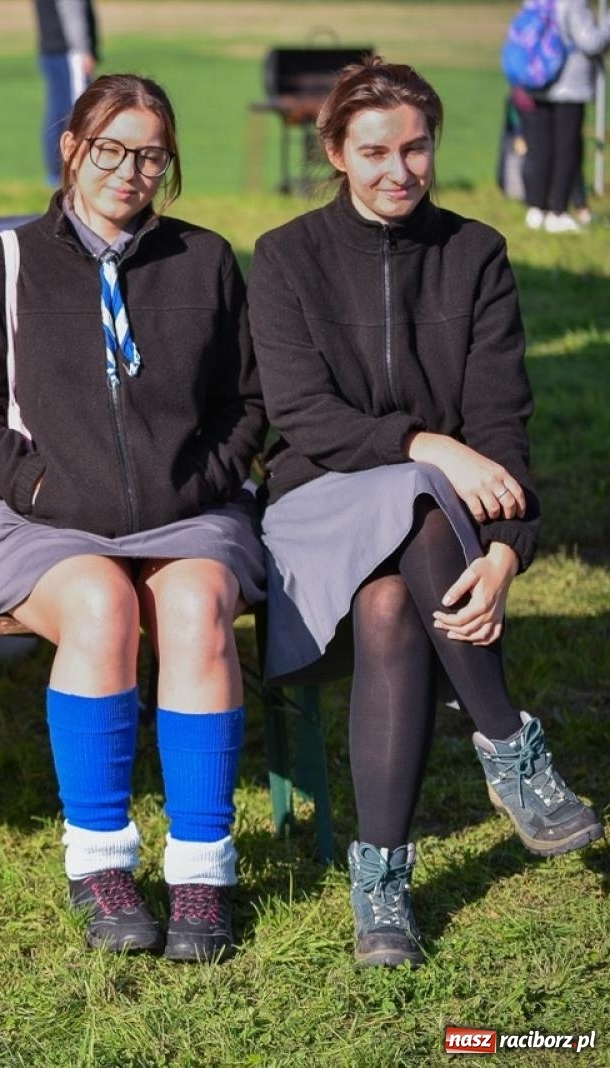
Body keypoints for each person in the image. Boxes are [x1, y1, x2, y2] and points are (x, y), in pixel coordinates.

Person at [250, 58, 603, 969]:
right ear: (334, 150)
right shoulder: (288, 255)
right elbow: (304, 417)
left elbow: (502, 425)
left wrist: (507, 557)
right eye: (373, 151)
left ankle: (382, 883)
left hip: (439, 530)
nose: (397, 170)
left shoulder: (474, 252)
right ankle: (507, 738)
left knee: (393, 602)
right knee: (414, 499)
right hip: (317, 505)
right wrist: (428, 445)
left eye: (415, 148)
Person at [0, 74, 267, 963]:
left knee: (197, 609)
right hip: (43, 520)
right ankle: (102, 863)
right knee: (100, 607)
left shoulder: (204, 260)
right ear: (70, 148)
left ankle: (202, 866)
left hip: (189, 511)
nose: (130, 171)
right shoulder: (2, 261)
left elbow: (247, 404)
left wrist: (202, 480)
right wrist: (41, 489)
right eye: (110, 150)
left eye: (151, 155)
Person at [519, 0, 609, 232]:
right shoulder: (574, 2)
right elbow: (590, 42)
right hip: (569, 85)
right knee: (566, 151)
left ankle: (536, 208)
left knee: (542, 148)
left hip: (539, 80)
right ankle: (558, 212)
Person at [34, 0, 100, 187]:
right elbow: (72, 11)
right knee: (76, 113)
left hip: (53, 50)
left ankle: (58, 174)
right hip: (68, 51)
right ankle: (65, 173)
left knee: (59, 111)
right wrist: (83, 49)